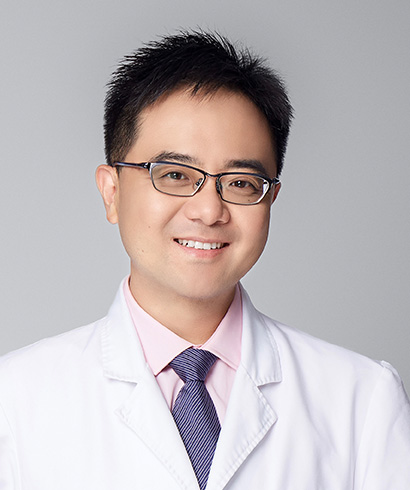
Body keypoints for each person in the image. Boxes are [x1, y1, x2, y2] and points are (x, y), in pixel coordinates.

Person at [0, 31, 409, 490]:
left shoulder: (361, 400)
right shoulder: (15, 401)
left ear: (270, 199)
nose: (209, 211)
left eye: (240, 183)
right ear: (111, 192)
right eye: (175, 175)